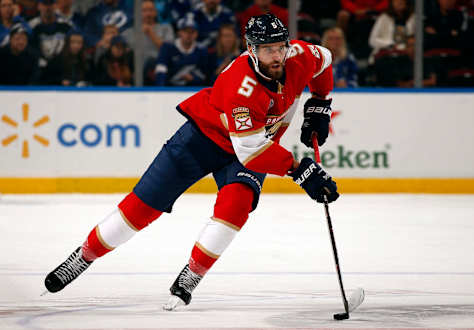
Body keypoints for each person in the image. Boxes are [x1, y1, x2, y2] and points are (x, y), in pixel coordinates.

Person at [43, 13, 340, 311]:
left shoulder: (300, 55)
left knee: (235, 207)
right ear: (251, 50)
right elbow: (251, 151)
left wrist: (320, 102)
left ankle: (192, 275)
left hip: (250, 146)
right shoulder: (241, 85)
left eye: (279, 47)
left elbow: (324, 60)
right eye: (266, 50)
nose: (276, 56)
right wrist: (299, 170)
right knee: (142, 206)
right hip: (203, 140)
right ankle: (83, 257)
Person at [154, 14, 209, 86]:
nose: (189, 35)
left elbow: (205, 75)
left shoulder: (201, 50)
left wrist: (194, 79)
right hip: (170, 89)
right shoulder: (168, 47)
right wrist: (162, 89)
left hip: (192, 90)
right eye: (185, 31)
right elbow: (161, 69)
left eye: (192, 32)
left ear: (196, 34)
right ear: (179, 32)